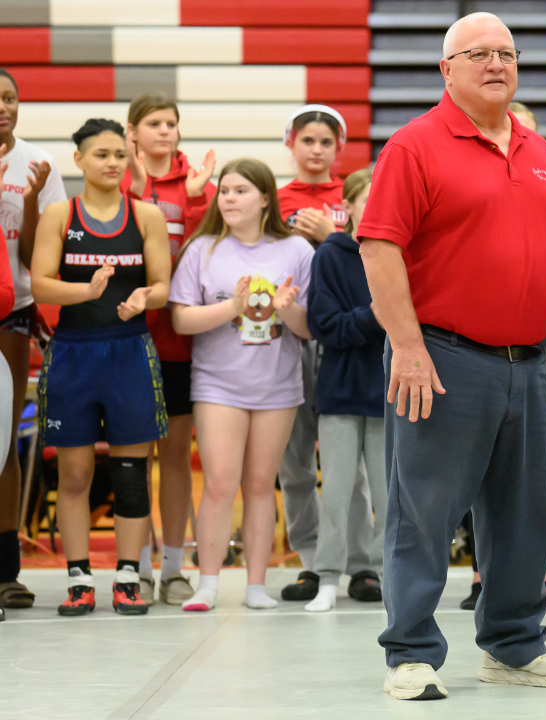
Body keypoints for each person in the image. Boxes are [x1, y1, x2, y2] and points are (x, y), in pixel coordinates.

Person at [359, 12, 546, 700]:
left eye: (506, 53)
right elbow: (379, 247)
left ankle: (515, 647)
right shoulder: (414, 146)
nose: (496, 64)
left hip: (531, 363)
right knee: (423, 511)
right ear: (447, 68)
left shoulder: (541, 152)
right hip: (442, 357)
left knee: (527, 514)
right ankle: (409, 652)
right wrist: (405, 345)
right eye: (479, 54)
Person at [31, 118, 171, 616]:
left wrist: (141, 297)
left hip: (129, 350)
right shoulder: (58, 214)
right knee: (74, 474)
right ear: (80, 161)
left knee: (132, 473)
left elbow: (162, 285)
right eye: (101, 155)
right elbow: (41, 284)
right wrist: (86, 292)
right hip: (73, 352)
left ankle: (129, 577)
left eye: (119, 154)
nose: (112, 163)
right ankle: (78, 578)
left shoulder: (146, 215)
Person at [169, 158, 315, 612]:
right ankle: (207, 584)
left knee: (258, 484)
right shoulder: (202, 250)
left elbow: (308, 328)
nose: (228, 198)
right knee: (219, 482)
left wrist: (287, 308)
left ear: (265, 199)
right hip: (218, 385)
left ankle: (256, 586)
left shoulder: (296, 250)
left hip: (277, 385)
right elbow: (181, 319)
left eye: (240, 191)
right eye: (224, 191)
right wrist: (231, 307)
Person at [457, 101, 546, 612]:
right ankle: (477, 574)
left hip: (541, 349)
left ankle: (542, 577)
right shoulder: (470, 185)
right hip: (474, 349)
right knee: (473, 470)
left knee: (536, 474)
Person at [273, 104, 379, 604]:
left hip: (346, 347)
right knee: (295, 463)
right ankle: (312, 561)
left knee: (349, 466)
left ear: (339, 147)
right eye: (307, 140)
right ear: (291, 143)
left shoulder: (359, 197)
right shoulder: (274, 201)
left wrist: (327, 238)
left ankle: (359, 563)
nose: (316, 150)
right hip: (293, 336)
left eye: (325, 141)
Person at [120, 91, 216, 605]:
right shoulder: (114, 181)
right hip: (126, 338)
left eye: (171, 123)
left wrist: (199, 198)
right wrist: (134, 190)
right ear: (131, 131)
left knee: (176, 453)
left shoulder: (199, 188)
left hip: (179, 341)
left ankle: (174, 567)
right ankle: (131, 565)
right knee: (132, 455)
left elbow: (205, 259)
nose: (164, 131)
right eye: (154, 122)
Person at [302, 168, 387, 612]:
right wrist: (374, 315)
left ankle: (389, 576)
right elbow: (325, 325)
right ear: (348, 205)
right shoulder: (331, 256)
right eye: (367, 198)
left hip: (391, 391)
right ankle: (328, 577)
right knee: (334, 490)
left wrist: (371, 317)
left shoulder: (400, 253)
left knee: (391, 494)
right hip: (339, 390)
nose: (375, 206)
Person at [0, 67, 64, 612]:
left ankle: (6, 570)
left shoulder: (38, 165)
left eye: (9, 97)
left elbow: (33, 261)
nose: (3, 107)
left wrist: (34, 200)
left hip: (12, 314)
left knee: (3, 438)